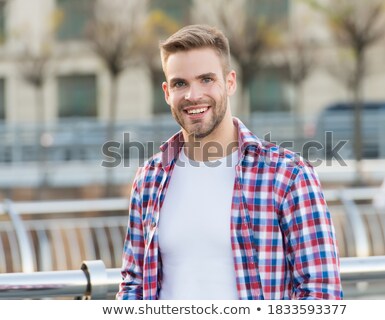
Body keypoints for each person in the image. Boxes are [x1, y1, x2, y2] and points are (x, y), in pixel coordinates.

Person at [116, 24, 342, 300]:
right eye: (180, 83)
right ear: (166, 92)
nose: (193, 95)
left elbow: (321, 293)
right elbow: (134, 285)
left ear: (230, 82)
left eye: (206, 79)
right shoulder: (150, 177)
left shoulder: (288, 175)